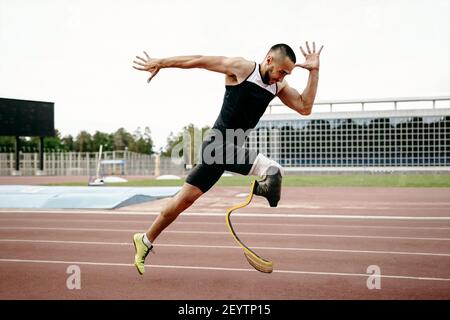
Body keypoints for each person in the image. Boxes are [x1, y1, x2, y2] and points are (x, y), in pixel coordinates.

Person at [131, 42, 323, 275]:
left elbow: (305, 107)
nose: (282, 77)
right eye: (281, 71)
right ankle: (262, 185)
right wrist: (161, 62)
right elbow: (199, 60)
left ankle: (145, 239)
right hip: (217, 146)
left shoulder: (277, 86)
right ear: (269, 60)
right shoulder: (241, 68)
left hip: (228, 152)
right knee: (272, 169)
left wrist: (314, 72)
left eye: (287, 74)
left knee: (182, 201)